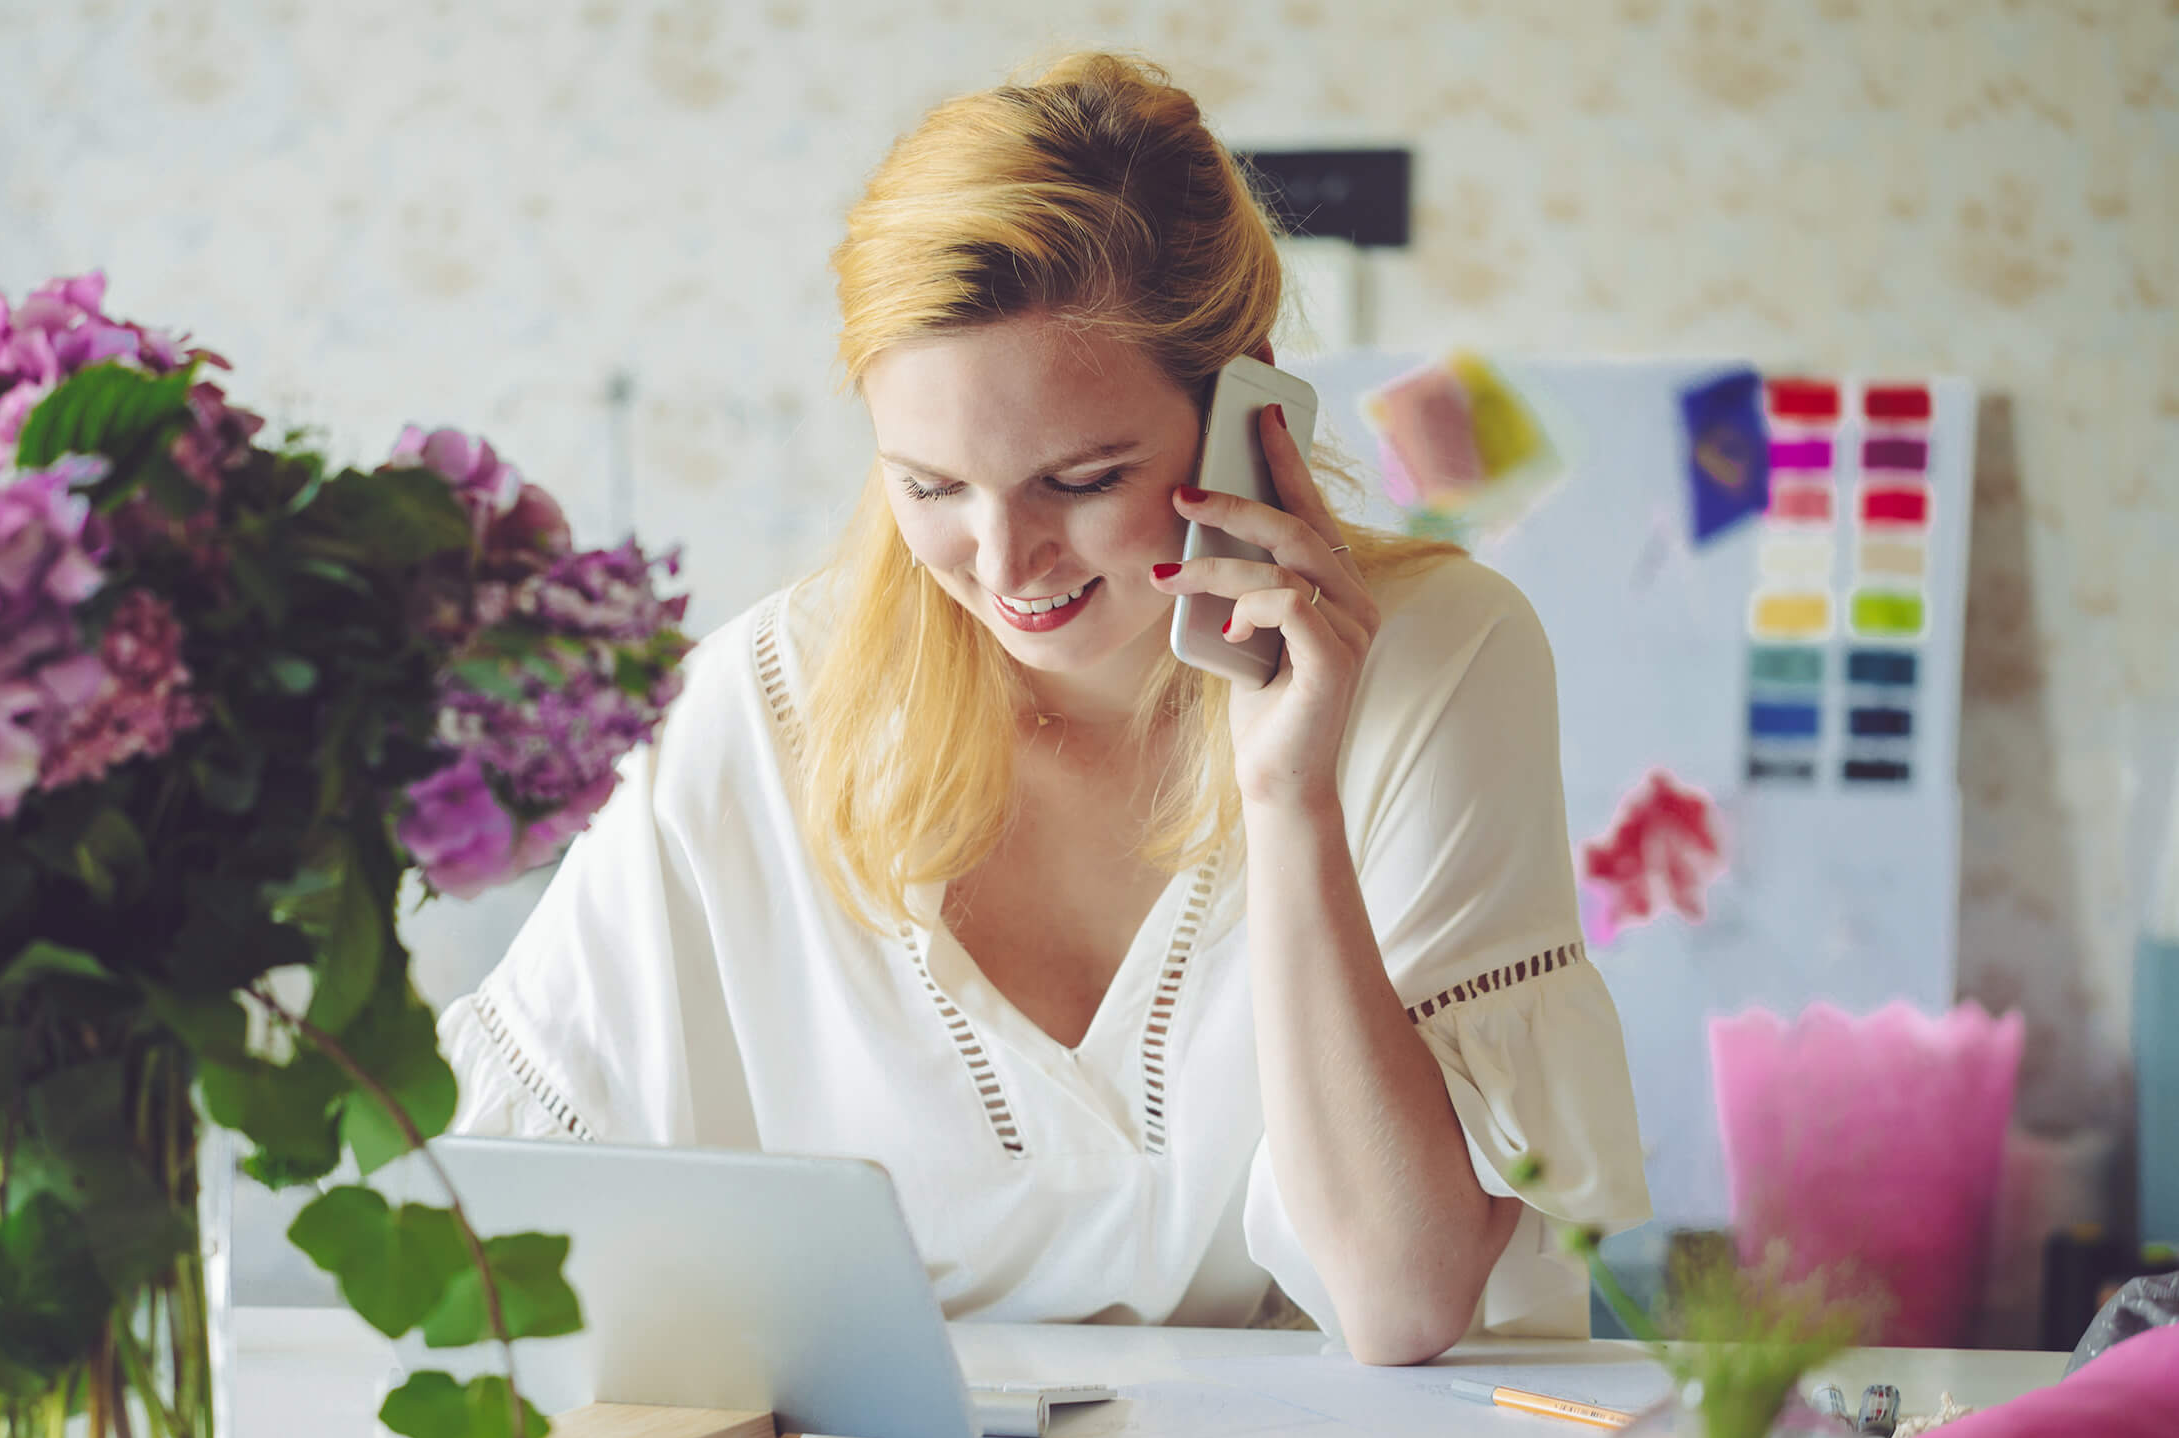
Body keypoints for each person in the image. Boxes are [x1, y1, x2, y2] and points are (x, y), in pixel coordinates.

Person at [436, 51, 1649, 1364]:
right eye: (932, 487)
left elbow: (1401, 1300)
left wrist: (1289, 795)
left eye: (1079, 478)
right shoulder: (755, 704)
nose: (1005, 567)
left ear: (1245, 408)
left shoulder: (1436, 662)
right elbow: (479, 1210)